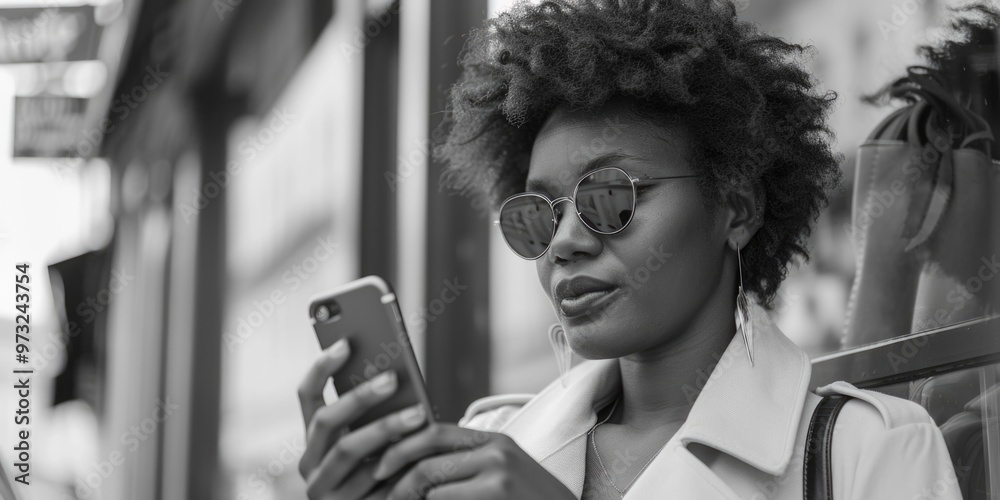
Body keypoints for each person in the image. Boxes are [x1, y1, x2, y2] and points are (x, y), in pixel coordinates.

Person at [297, 1, 962, 498]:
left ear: (737, 207)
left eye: (608, 198)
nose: (562, 244)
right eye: (535, 216)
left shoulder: (863, 451)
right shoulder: (491, 445)